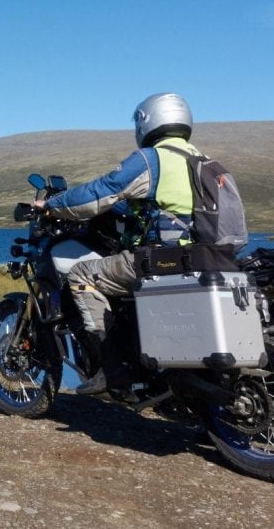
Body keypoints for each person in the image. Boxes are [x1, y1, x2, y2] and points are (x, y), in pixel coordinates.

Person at [36, 92, 207, 396]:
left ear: (147, 122)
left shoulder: (152, 159)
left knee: (82, 276)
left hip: (162, 259)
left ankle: (111, 371)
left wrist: (53, 204)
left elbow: (102, 191)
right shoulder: (204, 162)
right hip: (206, 259)